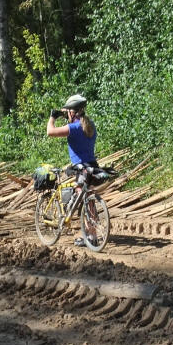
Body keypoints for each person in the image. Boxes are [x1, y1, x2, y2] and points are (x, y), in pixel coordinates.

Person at [46, 94, 99, 246]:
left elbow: (50, 131)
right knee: (88, 201)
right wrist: (67, 112)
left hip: (81, 168)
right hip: (92, 166)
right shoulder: (89, 125)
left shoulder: (74, 128)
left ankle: (90, 236)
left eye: (69, 111)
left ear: (73, 112)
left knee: (83, 200)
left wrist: (53, 117)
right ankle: (92, 235)